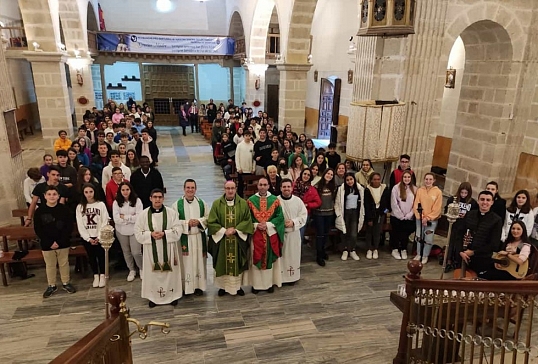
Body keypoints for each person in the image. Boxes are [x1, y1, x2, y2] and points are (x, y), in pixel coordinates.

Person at [134, 189, 183, 307]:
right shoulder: (143, 214)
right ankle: (153, 297)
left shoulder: (171, 213)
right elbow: (137, 232)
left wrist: (165, 233)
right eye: (155, 197)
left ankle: (172, 296)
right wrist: (150, 234)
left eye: (160, 197)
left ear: (163, 198)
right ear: (150, 198)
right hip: (151, 251)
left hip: (169, 250)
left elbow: (178, 230)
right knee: (153, 274)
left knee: (170, 274)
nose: (157, 199)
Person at [207, 181, 254, 296]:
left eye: (232, 188)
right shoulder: (217, 204)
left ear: (236, 189)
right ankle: (223, 287)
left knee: (238, 262)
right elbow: (211, 222)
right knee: (222, 262)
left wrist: (235, 230)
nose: (230, 191)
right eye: (228, 188)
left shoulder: (243, 203)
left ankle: (237, 287)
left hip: (238, 240)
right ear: (224, 189)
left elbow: (247, 220)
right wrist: (224, 231)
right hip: (222, 241)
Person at [243, 177, 285, 294]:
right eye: (260, 184)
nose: (262, 187)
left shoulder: (275, 200)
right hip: (256, 234)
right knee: (255, 257)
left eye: (265, 185)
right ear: (257, 186)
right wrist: (256, 225)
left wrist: (268, 224)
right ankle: (256, 285)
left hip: (270, 234)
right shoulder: (250, 201)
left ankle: (269, 284)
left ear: (268, 186)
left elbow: (280, 217)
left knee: (269, 259)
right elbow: (246, 218)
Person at [33, 185, 76, 298]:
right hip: (47, 243)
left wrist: (60, 241)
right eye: (49, 194)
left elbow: (68, 227)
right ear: (45, 196)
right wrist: (49, 242)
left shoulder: (64, 209)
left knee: (64, 263)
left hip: (63, 242)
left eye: (54, 194)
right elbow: (38, 229)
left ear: (58, 196)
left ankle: (66, 282)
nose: (52, 196)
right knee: (50, 265)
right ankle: (51, 285)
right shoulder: (39, 211)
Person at [171, 179, 209, 296]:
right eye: (188, 187)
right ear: (184, 189)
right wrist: (187, 223)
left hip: (198, 238)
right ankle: (185, 287)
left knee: (199, 262)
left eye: (192, 188)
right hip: (185, 239)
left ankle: (198, 286)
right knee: (185, 264)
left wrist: (198, 221)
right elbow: (174, 222)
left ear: (195, 189)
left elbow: (208, 218)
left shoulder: (202, 203)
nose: (190, 190)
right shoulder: (176, 205)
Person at [458, 191, 503, 278]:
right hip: (463, 256)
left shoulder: (496, 220)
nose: (485, 202)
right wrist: (461, 251)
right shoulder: (470, 214)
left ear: (492, 202)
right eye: (482, 199)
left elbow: (494, 244)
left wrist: (473, 252)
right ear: (478, 201)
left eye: (488, 200)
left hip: (482, 260)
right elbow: (459, 234)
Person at [76, 183, 110, 288]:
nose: (89, 194)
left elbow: (105, 220)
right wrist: (88, 238)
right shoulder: (80, 207)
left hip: (99, 236)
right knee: (91, 257)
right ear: (83, 193)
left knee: (101, 256)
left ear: (94, 192)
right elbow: (80, 224)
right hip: (88, 237)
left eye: (91, 191)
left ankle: (103, 275)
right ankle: (96, 275)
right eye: (86, 192)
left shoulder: (101, 205)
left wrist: (99, 236)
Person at [278, 178, 308, 285]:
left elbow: (303, 216)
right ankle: (280, 278)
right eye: (284, 187)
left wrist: (294, 222)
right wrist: (281, 224)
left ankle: (292, 278)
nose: (286, 189)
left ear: (292, 188)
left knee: (293, 256)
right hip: (280, 235)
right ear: (280, 188)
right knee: (282, 257)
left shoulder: (298, 201)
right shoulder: (276, 201)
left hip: (294, 234)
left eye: (288, 187)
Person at [113, 182, 143, 282]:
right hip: (121, 231)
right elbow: (116, 219)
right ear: (120, 191)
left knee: (136, 252)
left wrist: (124, 217)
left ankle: (142, 268)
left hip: (135, 230)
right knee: (126, 252)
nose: (125, 192)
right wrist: (131, 218)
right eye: (123, 190)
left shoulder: (137, 201)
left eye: (127, 190)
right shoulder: (116, 202)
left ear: (131, 190)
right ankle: (132, 270)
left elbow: (139, 217)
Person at [443, 182, 478, 269]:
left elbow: (474, 215)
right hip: (454, 225)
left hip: (465, 227)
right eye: (462, 193)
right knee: (450, 243)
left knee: (460, 244)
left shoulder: (472, 203)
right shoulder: (452, 199)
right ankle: (448, 260)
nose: (463, 195)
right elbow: (446, 211)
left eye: (465, 193)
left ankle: (457, 261)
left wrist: (465, 216)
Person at [413, 173, 443, 264]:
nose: (428, 181)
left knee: (428, 238)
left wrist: (428, 218)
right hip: (420, 219)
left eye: (430, 179)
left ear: (434, 180)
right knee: (419, 236)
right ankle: (419, 254)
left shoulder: (438, 192)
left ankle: (425, 255)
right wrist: (422, 217)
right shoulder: (420, 190)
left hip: (431, 221)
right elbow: (416, 205)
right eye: (426, 179)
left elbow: (437, 208)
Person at [335, 173, 365, 261]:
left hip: (355, 212)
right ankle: (345, 250)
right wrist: (338, 214)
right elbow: (337, 203)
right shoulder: (341, 189)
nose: (349, 181)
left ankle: (352, 249)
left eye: (351, 179)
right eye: (347, 180)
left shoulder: (360, 189)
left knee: (353, 233)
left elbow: (362, 202)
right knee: (344, 232)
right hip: (345, 213)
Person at [312, 168, 337, 266]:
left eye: (331, 174)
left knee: (326, 234)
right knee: (320, 234)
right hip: (319, 214)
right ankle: (318, 255)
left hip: (329, 213)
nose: (329, 176)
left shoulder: (333, 186)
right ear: (324, 174)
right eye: (328, 173)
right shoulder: (317, 186)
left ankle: (323, 251)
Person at [390, 170, 416, 260]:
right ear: (402, 178)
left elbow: (415, 204)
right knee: (396, 232)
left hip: (409, 216)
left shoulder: (415, 189)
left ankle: (403, 249)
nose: (407, 179)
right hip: (397, 216)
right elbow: (394, 203)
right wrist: (400, 215)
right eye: (405, 177)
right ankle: (395, 249)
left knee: (405, 233)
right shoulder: (396, 188)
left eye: (408, 177)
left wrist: (409, 215)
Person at [363, 172, 390, 260]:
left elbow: (388, 203)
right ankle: (369, 249)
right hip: (370, 214)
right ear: (371, 180)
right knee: (369, 231)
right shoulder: (367, 190)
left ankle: (375, 248)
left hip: (380, 214)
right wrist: (369, 218)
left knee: (377, 232)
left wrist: (384, 212)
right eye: (374, 179)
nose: (376, 181)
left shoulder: (384, 188)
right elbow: (366, 205)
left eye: (378, 179)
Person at [235, 130, 256, 198]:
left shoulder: (252, 145)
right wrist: (238, 168)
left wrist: (253, 168)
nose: (248, 137)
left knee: (250, 185)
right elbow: (237, 157)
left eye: (249, 136)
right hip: (242, 169)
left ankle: (250, 198)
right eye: (246, 136)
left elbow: (254, 158)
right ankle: (240, 198)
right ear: (244, 136)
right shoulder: (240, 145)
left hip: (250, 169)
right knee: (240, 185)